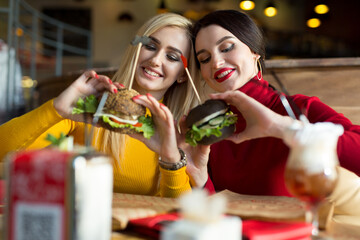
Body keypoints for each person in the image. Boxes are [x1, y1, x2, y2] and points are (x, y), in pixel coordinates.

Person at [0, 13, 200, 198]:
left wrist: (171, 158)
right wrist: (57, 109)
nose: (156, 60)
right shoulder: (93, 106)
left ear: (183, 74)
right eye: (150, 46)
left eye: (172, 57)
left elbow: (181, 213)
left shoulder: (181, 130)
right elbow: (5, 152)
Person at [188, 9, 360, 197]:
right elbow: (213, 208)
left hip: (296, 226)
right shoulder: (210, 128)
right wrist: (200, 177)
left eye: (227, 47)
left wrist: (284, 128)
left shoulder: (299, 108)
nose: (216, 63)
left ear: (254, 51)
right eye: (204, 59)